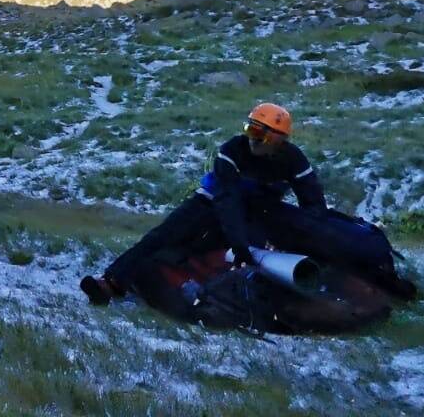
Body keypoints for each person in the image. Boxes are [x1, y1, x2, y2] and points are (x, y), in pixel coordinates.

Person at [80, 102, 325, 305]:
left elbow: (313, 202)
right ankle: (110, 284)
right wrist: (239, 245)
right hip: (210, 202)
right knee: (162, 236)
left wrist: (306, 238)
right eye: (249, 130)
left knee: (210, 252)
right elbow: (226, 200)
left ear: (277, 138)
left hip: (255, 213)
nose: (252, 139)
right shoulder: (232, 150)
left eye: (258, 133)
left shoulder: (294, 160)